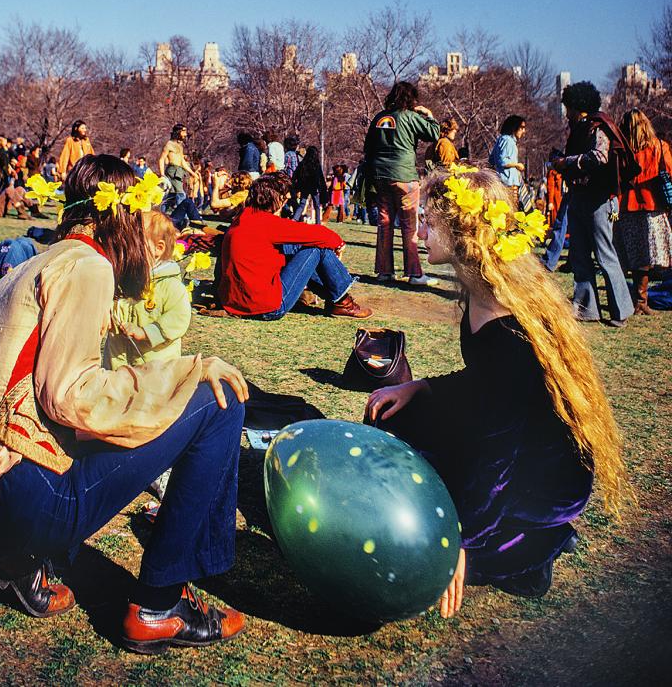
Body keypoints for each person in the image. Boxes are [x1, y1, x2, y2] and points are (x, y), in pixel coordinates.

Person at [0, 153, 248, 651]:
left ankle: (15, 560)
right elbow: (71, 397)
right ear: (119, 216)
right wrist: (179, 373)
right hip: (26, 495)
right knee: (219, 404)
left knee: (175, 401)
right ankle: (159, 604)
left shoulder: (29, 262)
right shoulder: (88, 266)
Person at [366, 167, 628, 613]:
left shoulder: (510, 327)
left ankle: (540, 547)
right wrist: (420, 387)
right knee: (394, 419)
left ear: (463, 230)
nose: (419, 232)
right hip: (505, 443)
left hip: (539, 486)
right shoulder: (478, 288)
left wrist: (461, 541)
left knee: (423, 554)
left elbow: (498, 456)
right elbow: (486, 385)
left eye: (429, 220)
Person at [219, 172, 371, 319]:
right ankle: (342, 301)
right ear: (275, 199)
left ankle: (336, 298)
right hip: (267, 306)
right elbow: (320, 235)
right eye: (285, 197)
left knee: (291, 248)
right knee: (317, 249)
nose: (288, 198)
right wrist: (339, 243)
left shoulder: (243, 217)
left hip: (235, 302)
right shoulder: (268, 223)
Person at [551, 82, 636, 327]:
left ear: (577, 106)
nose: (566, 111)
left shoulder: (598, 127)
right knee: (579, 255)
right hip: (580, 197)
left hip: (599, 201)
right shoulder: (579, 129)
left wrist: (566, 162)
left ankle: (620, 312)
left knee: (605, 254)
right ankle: (586, 309)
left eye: (568, 106)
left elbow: (600, 157)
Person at [364, 81, 440, 284]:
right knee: (409, 225)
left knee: (385, 223)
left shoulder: (379, 118)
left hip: (380, 176)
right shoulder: (411, 117)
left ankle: (385, 272)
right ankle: (415, 273)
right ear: (411, 98)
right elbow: (434, 134)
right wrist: (429, 114)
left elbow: (368, 147)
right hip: (404, 176)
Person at [104, 211, 192, 369]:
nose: (126, 247)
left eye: (134, 242)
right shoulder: (124, 279)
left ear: (158, 248)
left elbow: (179, 318)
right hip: (117, 366)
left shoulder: (171, 286)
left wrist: (146, 332)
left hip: (154, 370)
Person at [617, 108, 672, 315]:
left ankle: (635, 300)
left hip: (627, 207)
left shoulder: (622, 150)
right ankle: (642, 300)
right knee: (648, 256)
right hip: (653, 206)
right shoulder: (659, 146)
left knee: (632, 255)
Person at [488, 115, 527, 205]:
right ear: (514, 127)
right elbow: (503, 161)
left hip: (500, 182)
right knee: (511, 210)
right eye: (522, 128)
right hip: (508, 183)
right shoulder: (508, 141)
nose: (524, 131)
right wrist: (517, 165)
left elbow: (491, 160)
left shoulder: (501, 139)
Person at [290, 145, 329, 224]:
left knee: (302, 204)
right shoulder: (316, 165)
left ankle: (294, 219)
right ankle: (318, 222)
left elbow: (296, 174)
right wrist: (322, 187)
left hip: (304, 186)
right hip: (314, 187)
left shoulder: (302, 164)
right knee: (317, 205)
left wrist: (295, 184)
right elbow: (320, 177)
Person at [159, 124, 194, 206]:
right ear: (178, 132)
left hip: (179, 171)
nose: (185, 134)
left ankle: (160, 213)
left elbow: (182, 161)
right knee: (181, 194)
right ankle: (183, 217)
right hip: (172, 172)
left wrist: (192, 173)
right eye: (184, 131)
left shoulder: (180, 145)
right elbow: (161, 159)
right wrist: (162, 175)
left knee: (170, 196)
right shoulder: (169, 144)